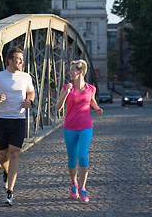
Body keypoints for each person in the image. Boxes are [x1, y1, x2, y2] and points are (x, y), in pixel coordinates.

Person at [0, 46, 35, 206]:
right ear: (9, 60)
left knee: (14, 152)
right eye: (18, 59)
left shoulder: (26, 77)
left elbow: (31, 92)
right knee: (2, 155)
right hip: (2, 119)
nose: (21, 61)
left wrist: (30, 101)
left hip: (19, 119)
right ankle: (6, 171)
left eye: (22, 59)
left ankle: (10, 191)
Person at [55, 59, 103, 203]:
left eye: (72, 70)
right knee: (71, 159)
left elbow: (91, 100)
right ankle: (74, 183)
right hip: (69, 127)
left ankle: (82, 188)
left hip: (86, 127)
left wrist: (97, 108)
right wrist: (66, 92)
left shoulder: (91, 88)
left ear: (80, 72)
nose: (69, 72)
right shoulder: (66, 87)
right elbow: (58, 107)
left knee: (82, 156)